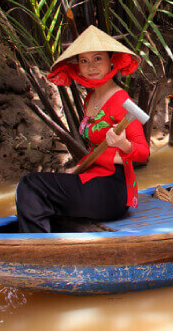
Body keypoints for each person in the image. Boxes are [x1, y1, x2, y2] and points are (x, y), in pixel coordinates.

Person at [15, 26, 150, 233]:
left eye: (97, 59)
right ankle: (41, 242)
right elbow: (94, 149)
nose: (90, 66)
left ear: (111, 61)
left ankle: (38, 247)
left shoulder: (121, 99)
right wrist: (77, 168)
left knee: (31, 184)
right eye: (84, 60)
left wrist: (122, 143)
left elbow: (143, 153)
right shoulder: (90, 99)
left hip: (111, 190)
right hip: (92, 176)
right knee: (33, 187)